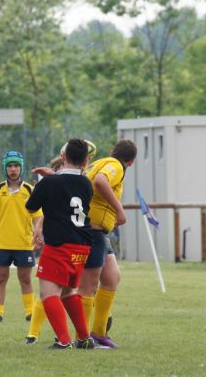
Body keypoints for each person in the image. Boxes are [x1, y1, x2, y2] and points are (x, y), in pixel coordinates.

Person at [25, 139, 98, 350]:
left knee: (48, 295)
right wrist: (52, 179)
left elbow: (31, 207)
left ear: (63, 157)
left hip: (59, 245)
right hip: (82, 245)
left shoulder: (49, 183)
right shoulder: (86, 183)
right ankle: (83, 338)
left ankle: (64, 340)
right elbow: (67, 191)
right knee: (68, 293)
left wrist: (43, 183)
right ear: (85, 161)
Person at [78, 139, 137, 349]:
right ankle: (83, 337)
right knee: (88, 285)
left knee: (112, 277)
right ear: (131, 162)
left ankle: (99, 333)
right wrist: (119, 208)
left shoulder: (100, 161)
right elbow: (101, 182)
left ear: (113, 150)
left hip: (100, 232)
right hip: (91, 230)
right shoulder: (115, 166)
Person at [0, 151, 42, 323]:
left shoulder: (30, 190)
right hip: (1, 244)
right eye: (9, 165)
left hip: (24, 243)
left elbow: (38, 216)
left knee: (25, 279)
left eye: (16, 165)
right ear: (5, 168)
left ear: (21, 167)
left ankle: (30, 312)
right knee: (0, 278)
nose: (13, 169)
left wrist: (38, 234)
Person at [24, 154, 63, 344]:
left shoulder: (74, 184)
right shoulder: (60, 187)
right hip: (63, 244)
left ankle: (68, 336)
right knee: (51, 292)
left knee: (63, 292)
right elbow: (47, 211)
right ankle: (33, 333)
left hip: (68, 244)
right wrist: (38, 228)